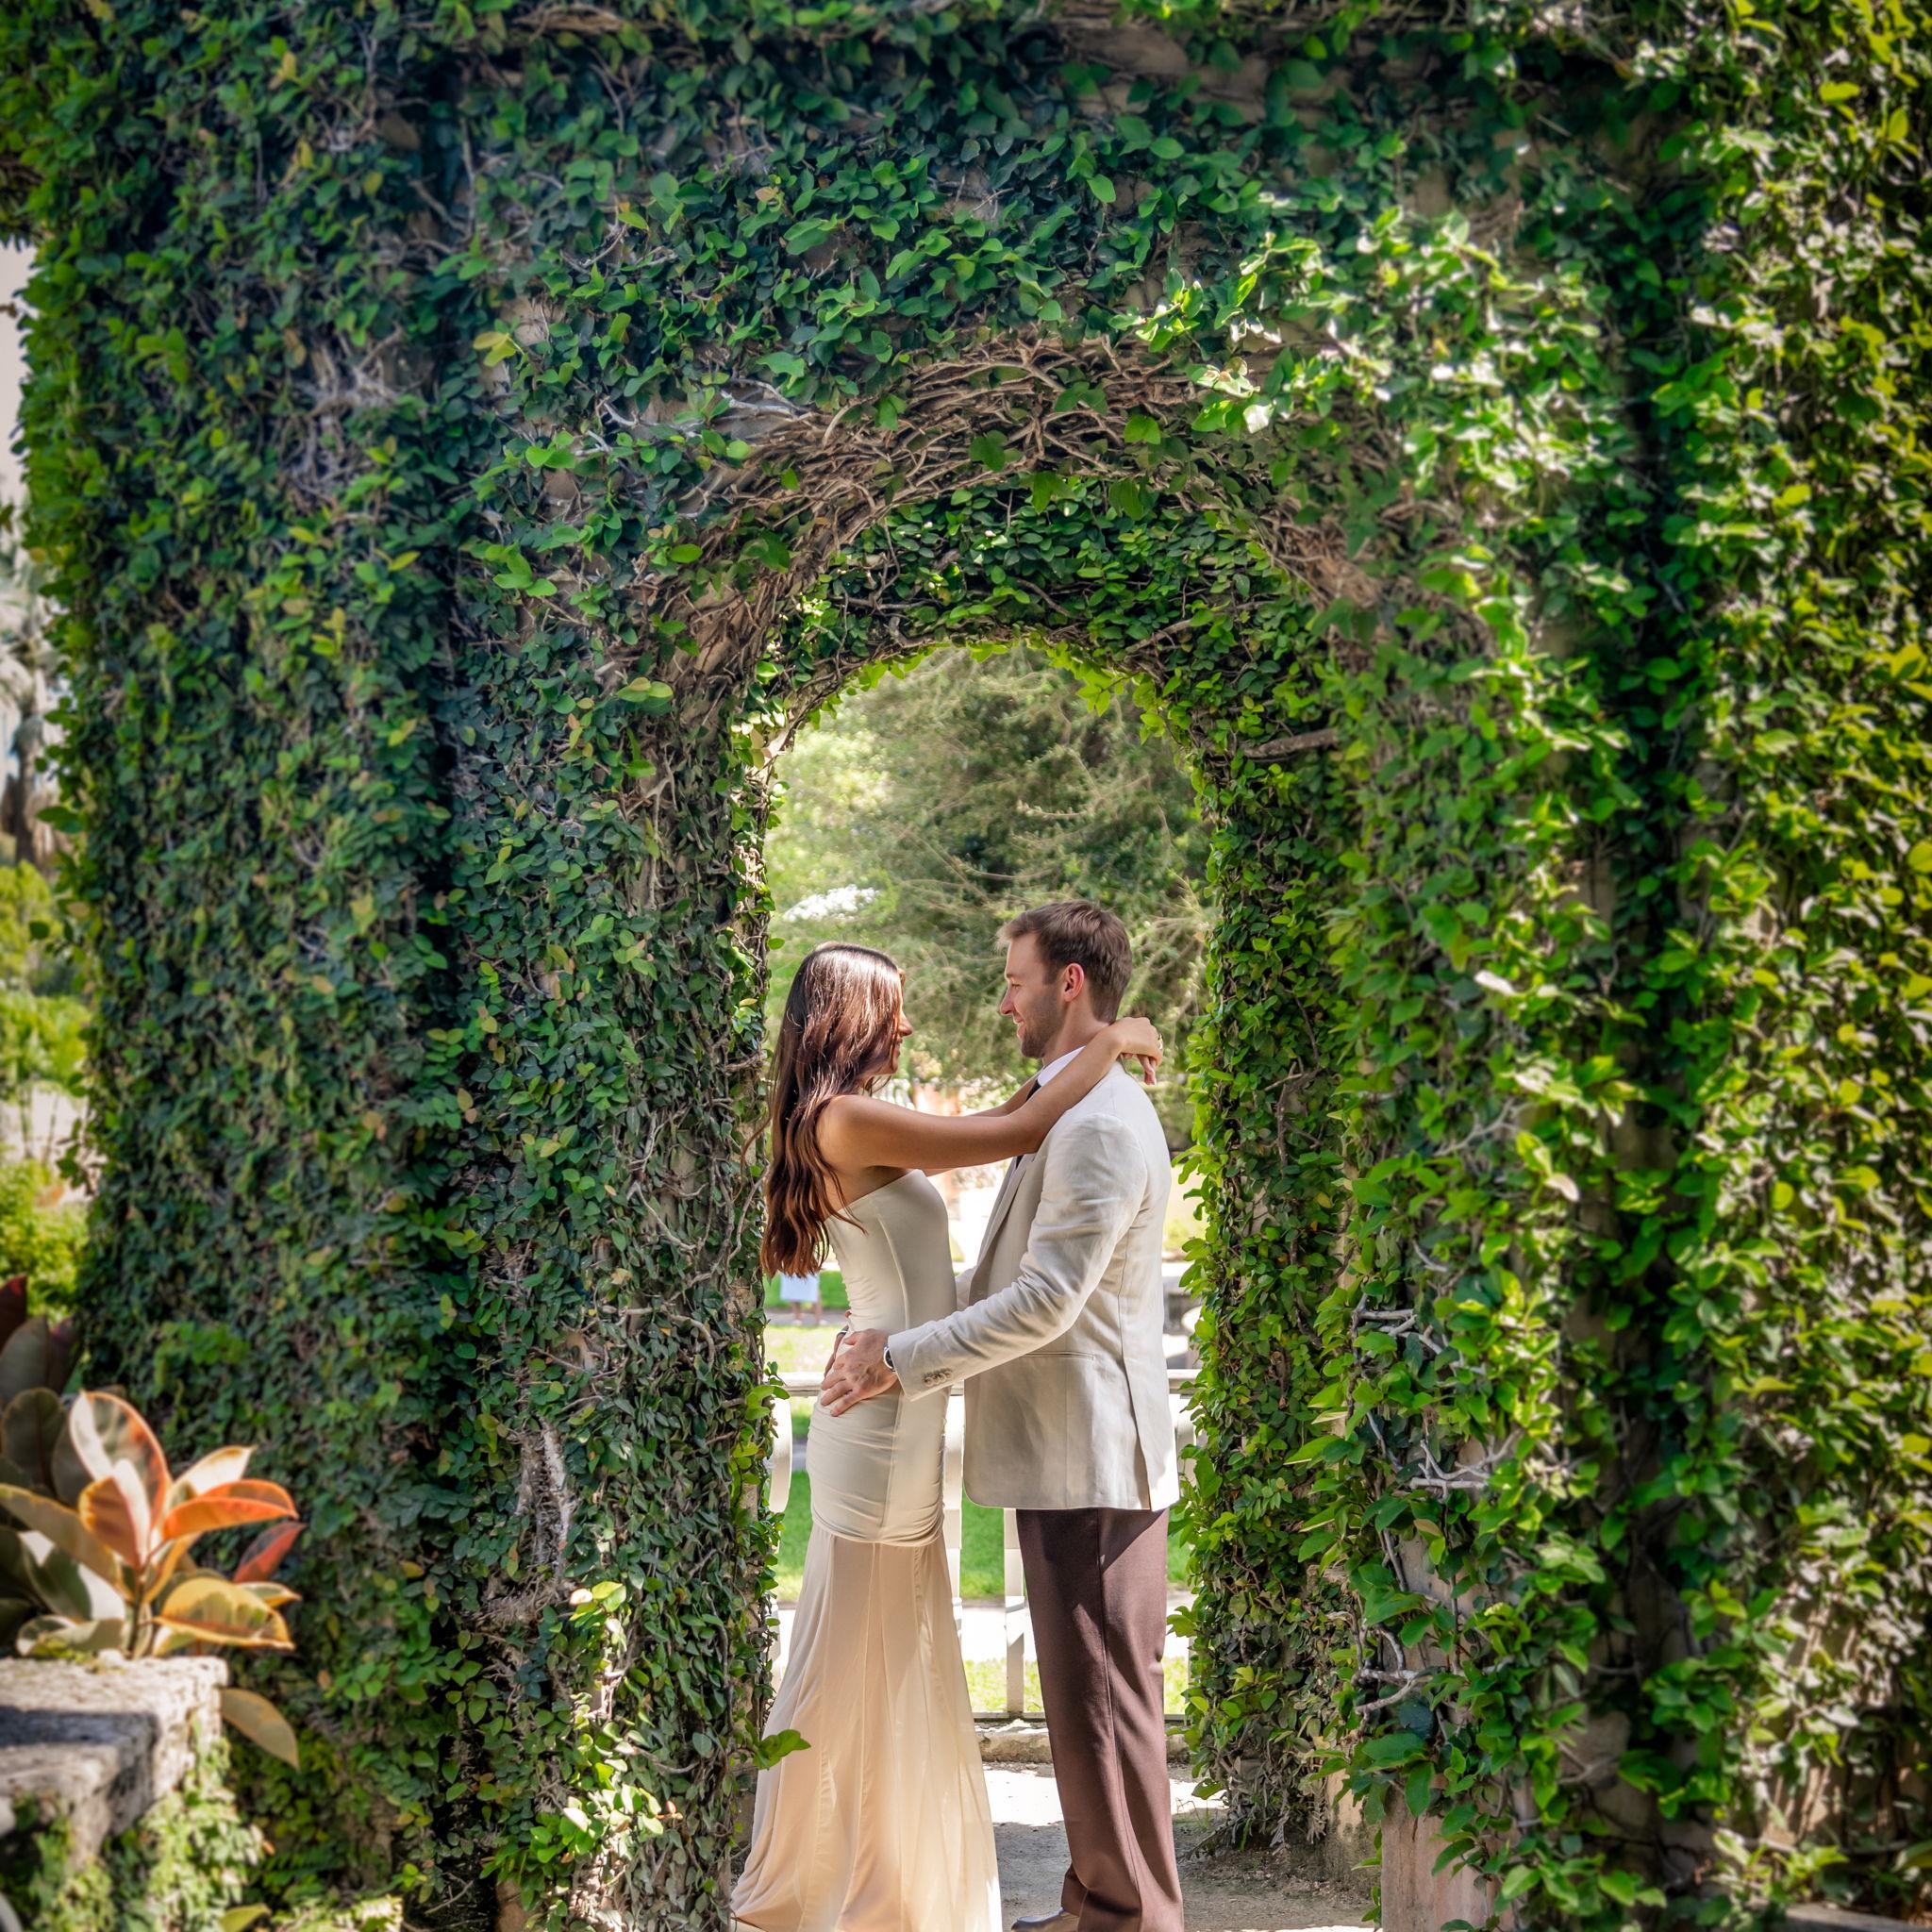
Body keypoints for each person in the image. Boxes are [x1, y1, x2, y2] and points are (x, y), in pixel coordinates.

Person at [732, 937, 1163, 1932]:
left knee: (886, 1653)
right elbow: (1017, 1128)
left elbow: (1004, 1133)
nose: (907, 1025)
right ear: (848, 1018)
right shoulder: (844, 1118)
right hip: (881, 1416)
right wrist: (1109, 1040)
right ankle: (819, 1883)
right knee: (859, 1654)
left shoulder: (845, 1116)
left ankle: (877, 1875)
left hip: (897, 1400)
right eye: (892, 1008)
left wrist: (1090, 1050)